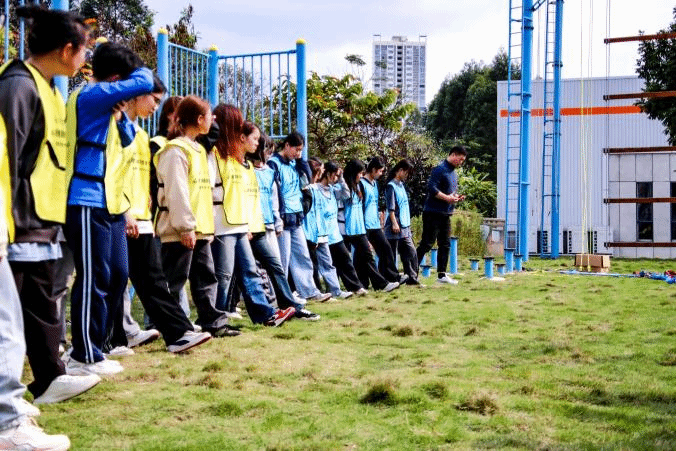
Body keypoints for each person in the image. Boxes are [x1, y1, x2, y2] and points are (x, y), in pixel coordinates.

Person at [0, 5, 101, 401]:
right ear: (66, 50)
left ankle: (49, 379)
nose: (85, 57)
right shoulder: (18, 86)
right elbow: (8, 158)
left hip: (43, 219)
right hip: (20, 220)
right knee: (14, 315)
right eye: (84, 49)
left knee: (42, 305)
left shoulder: (48, 89)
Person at [63, 42, 154, 376]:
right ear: (116, 79)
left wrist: (119, 115)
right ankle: (82, 355)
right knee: (94, 277)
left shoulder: (109, 108)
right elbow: (145, 79)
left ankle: (97, 348)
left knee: (116, 274)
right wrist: (130, 71)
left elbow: (127, 139)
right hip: (86, 200)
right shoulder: (90, 95)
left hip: (112, 203)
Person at [107, 77, 213, 354]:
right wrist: (125, 212)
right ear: (135, 95)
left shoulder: (140, 135)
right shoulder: (114, 130)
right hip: (120, 216)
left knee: (152, 280)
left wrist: (145, 210)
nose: (156, 106)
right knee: (117, 278)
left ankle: (176, 333)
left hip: (141, 219)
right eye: (154, 99)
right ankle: (114, 338)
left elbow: (142, 179)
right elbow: (112, 174)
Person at [0, 94, 71, 449]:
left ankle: (11, 414)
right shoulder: (19, 87)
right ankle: (7, 423)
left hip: (16, 225)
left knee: (12, 325)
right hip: (21, 224)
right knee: (7, 330)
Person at [153, 96, 239, 336]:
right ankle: (172, 328)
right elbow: (177, 193)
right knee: (173, 281)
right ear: (199, 119)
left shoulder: (198, 150)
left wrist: (206, 228)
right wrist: (185, 227)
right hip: (180, 230)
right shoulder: (175, 151)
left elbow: (202, 193)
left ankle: (214, 323)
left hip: (199, 229)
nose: (213, 121)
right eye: (209, 116)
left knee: (205, 279)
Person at [209, 105, 296, 326]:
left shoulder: (235, 159)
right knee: (224, 275)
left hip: (239, 224)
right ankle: (215, 319)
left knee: (249, 272)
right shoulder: (214, 154)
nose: (241, 128)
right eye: (237, 123)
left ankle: (266, 315)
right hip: (222, 224)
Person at [267, 132, 332, 303]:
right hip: (283, 217)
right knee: (282, 259)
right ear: (287, 145)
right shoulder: (274, 164)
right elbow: (273, 193)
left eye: (301, 150)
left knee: (303, 255)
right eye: (296, 149)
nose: (299, 153)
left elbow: (305, 183)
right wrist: (278, 217)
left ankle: (309, 291)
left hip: (296, 217)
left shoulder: (294, 164)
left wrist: (300, 161)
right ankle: (280, 296)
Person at [337, 159, 398, 292]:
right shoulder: (345, 187)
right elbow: (344, 197)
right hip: (350, 229)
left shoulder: (357, 186)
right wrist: (341, 178)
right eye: (359, 173)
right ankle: (379, 284)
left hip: (359, 228)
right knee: (355, 258)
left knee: (363, 257)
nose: (361, 175)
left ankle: (366, 285)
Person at [416, 146, 467, 284]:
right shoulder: (440, 169)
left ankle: (442, 275)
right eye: (460, 159)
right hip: (433, 212)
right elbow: (431, 188)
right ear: (453, 155)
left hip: (446, 213)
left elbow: (448, 192)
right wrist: (447, 198)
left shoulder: (453, 172)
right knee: (427, 243)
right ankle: (411, 272)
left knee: (445, 244)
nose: (461, 162)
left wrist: (456, 197)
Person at [303, 159, 352, 299]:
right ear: (328, 173)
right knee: (312, 266)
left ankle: (335, 291)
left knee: (328, 264)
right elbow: (311, 214)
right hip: (313, 233)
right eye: (335, 175)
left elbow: (346, 194)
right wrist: (314, 235)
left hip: (326, 234)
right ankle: (315, 292)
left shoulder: (332, 190)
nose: (336, 178)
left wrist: (341, 179)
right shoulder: (313, 189)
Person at [361, 156, 405, 284]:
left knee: (386, 249)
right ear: (373, 169)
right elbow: (361, 206)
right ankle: (363, 282)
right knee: (363, 255)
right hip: (364, 225)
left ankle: (392, 277)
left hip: (374, 224)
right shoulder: (362, 184)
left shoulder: (375, 184)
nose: (381, 174)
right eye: (380, 171)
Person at [384, 159, 421, 285]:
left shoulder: (401, 185)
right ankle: (390, 279)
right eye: (406, 172)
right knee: (391, 253)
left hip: (405, 224)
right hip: (395, 224)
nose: (407, 175)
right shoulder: (391, 186)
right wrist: (394, 223)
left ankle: (412, 278)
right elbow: (391, 207)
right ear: (400, 170)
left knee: (410, 252)